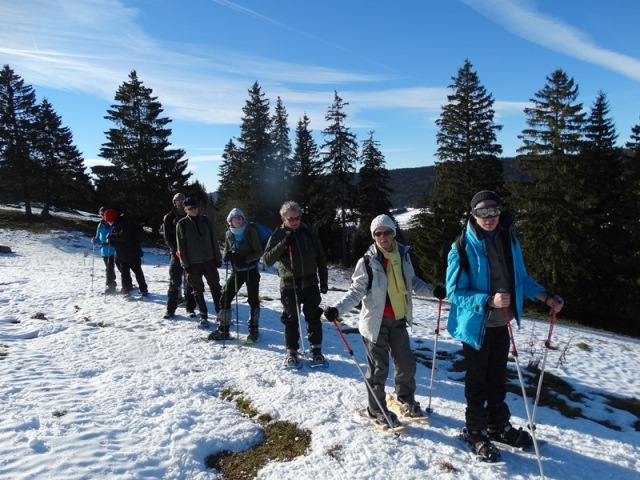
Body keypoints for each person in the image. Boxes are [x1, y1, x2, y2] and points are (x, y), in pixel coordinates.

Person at [445, 190, 564, 462]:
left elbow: (521, 277)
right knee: (478, 381)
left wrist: (546, 297)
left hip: (502, 323)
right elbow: (454, 292)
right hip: (475, 326)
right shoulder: (461, 247)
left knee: (498, 378)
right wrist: (489, 301)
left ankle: (498, 426)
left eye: (494, 211)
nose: (490, 217)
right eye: (483, 212)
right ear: (473, 215)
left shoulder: (508, 239)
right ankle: (475, 431)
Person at [324, 214, 446, 428]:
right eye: (378, 233)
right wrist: (337, 309)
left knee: (406, 364)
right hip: (375, 324)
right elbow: (356, 291)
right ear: (373, 236)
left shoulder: (403, 255)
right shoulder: (368, 262)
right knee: (379, 368)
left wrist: (433, 290)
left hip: (398, 320)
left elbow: (413, 282)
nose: (383, 237)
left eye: (387, 232)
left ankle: (405, 400)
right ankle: (376, 410)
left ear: (393, 233)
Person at [263, 201, 328, 366]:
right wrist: (283, 243)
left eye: (297, 217)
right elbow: (268, 259)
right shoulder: (277, 235)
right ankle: (291, 352)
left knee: (313, 316)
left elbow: (320, 256)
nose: (295, 221)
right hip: (289, 283)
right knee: (291, 319)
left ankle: (316, 350)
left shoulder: (308, 232)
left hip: (310, 282)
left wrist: (324, 280)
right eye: (291, 218)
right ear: (283, 218)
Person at [209, 208, 263, 341]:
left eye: (239, 218)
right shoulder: (229, 234)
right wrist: (226, 256)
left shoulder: (250, 231)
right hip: (237, 271)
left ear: (243, 219)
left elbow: (259, 252)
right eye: (234, 218)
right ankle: (223, 330)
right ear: (230, 221)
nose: (237, 221)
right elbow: (227, 250)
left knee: (253, 300)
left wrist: (244, 259)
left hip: (251, 270)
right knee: (225, 297)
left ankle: (253, 330)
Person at [176, 197, 222, 327]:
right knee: (197, 289)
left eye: (195, 207)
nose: (194, 210)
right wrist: (185, 264)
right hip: (193, 263)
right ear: (185, 210)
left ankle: (220, 313)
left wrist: (217, 258)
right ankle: (203, 315)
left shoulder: (206, 220)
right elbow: (181, 246)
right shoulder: (182, 224)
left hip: (209, 260)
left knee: (216, 287)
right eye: (191, 208)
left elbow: (213, 240)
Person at [162, 193, 196, 319]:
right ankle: (170, 309)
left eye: (182, 200)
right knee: (174, 281)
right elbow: (167, 237)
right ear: (174, 203)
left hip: (191, 254)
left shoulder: (191, 215)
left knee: (191, 281)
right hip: (176, 254)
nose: (180, 203)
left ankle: (190, 308)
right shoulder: (169, 217)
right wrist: (175, 249)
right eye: (177, 201)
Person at [105, 209, 149, 297]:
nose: (108, 222)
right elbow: (118, 240)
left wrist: (112, 236)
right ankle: (126, 291)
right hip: (122, 255)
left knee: (137, 272)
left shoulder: (125, 223)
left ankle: (143, 290)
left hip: (133, 253)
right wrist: (111, 240)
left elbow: (124, 237)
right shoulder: (116, 226)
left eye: (108, 220)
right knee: (125, 274)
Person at [91, 207, 121, 295]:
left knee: (119, 267)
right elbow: (98, 237)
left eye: (103, 214)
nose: (102, 216)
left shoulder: (113, 224)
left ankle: (126, 284)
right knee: (109, 269)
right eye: (101, 214)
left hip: (114, 249)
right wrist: (95, 240)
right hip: (104, 250)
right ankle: (111, 285)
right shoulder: (100, 225)